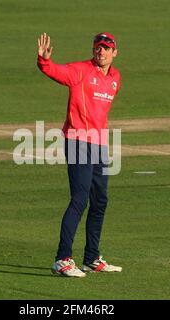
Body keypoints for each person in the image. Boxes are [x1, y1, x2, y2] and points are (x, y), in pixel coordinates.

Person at [37, 32, 122, 277]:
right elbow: (56, 71)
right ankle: (62, 259)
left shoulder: (115, 78)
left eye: (106, 48)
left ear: (114, 52)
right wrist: (44, 61)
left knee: (100, 200)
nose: (101, 52)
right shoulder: (81, 71)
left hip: (99, 144)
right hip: (77, 141)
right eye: (98, 47)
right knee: (79, 200)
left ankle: (91, 258)